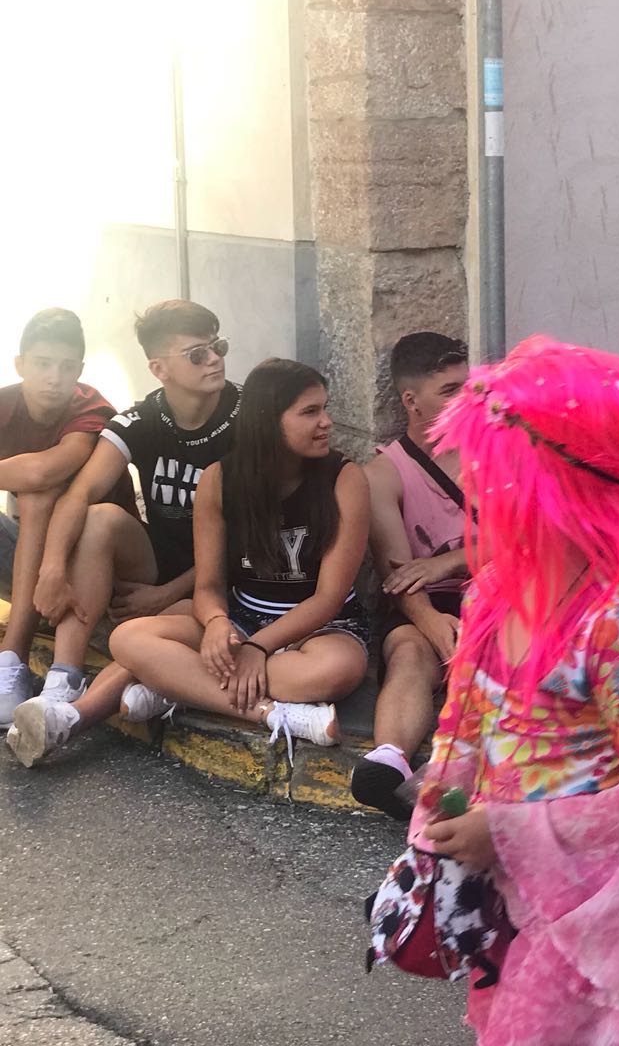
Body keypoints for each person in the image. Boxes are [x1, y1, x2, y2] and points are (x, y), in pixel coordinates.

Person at [407, 337, 619, 1044]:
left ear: (547, 478)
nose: (467, 479)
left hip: (589, 913)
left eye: (485, 462)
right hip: (502, 893)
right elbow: (463, 726)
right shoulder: (494, 596)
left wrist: (503, 831)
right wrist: (437, 813)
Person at [7, 301, 242, 765]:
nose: (214, 360)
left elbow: (255, 533)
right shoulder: (139, 421)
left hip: (224, 578)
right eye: (197, 354)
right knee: (99, 517)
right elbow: (79, 495)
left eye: (218, 347)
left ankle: (110, 704)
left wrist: (168, 594)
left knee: (153, 635)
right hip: (161, 561)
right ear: (159, 369)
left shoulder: (246, 416)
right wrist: (52, 570)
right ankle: (65, 677)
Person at [95, 360, 369, 757]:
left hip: (323, 627)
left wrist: (257, 650)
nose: (326, 422)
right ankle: (271, 713)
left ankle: (179, 686)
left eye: (324, 408)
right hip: (244, 618)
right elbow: (208, 585)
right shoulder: (219, 480)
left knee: (334, 672)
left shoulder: (344, 479)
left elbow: (328, 598)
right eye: (310, 412)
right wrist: (218, 624)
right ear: (267, 420)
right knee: (128, 636)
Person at [349, 333, 471, 820]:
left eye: (468, 387)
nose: (465, 399)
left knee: (493, 647)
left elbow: (522, 545)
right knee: (408, 650)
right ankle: (388, 762)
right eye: (449, 390)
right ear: (410, 401)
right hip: (427, 601)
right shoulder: (383, 473)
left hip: (497, 589)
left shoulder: (497, 450)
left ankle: (454, 769)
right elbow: (397, 576)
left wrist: (448, 562)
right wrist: (433, 625)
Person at [0, 309, 134, 726]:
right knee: (35, 500)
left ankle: (13, 657)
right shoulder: (5, 404)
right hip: (31, 563)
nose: (54, 378)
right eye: (42, 364)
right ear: (21, 364)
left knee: (40, 495)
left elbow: (44, 472)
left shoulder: (91, 407)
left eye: (66, 367)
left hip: (93, 566)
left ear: (79, 370)